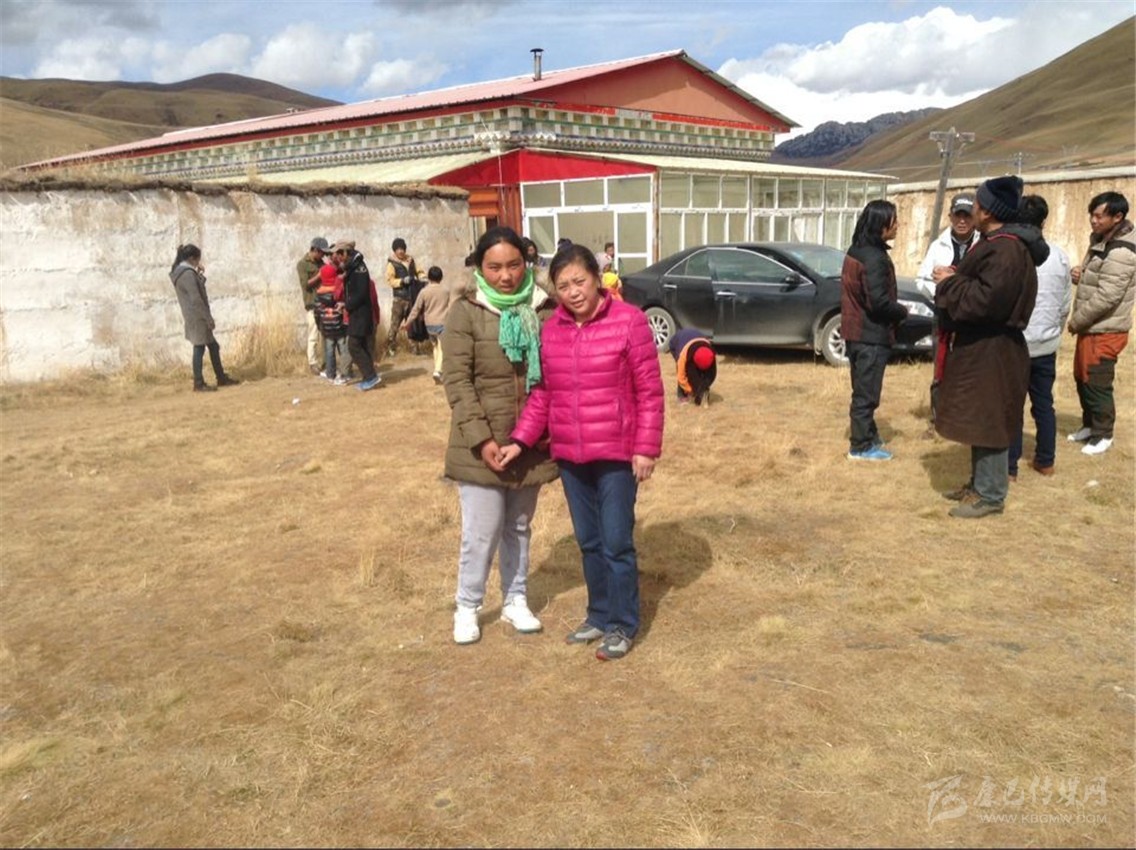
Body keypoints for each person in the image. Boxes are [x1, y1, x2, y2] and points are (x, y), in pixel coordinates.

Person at [504, 244, 664, 662]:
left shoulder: (628, 321)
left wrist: (646, 448)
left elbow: (649, 391)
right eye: (563, 286)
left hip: (616, 453)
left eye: (579, 281)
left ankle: (623, 623)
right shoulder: (552, 330)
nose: (573, 292)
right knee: (589, 541)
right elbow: (543, 394)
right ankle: (599, 614)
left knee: (616, 541)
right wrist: (520, 440)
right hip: (572, 455)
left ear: (597, 278)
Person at [440, 227, 559, 645]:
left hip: (529, 442)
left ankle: (515, 600)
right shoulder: (466, 311)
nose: (505, 276)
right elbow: (457, 381)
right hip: (481, 445)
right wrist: (483, 440)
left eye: (513, 265)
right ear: (479, 267)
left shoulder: (544, 309)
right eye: (494, 267)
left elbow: (553, 376)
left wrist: (528, 437)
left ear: (527, 263)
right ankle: (468, 606)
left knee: (519, 526)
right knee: (481, 531)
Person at [933, 176, 1047, 519]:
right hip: (983, 346)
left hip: (994, 349)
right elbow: (983, 287)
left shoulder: (1006, 250)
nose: (973, 209)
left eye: (977, 204)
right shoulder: (995, 244)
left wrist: (950, 283)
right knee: (979, 417)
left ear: (988, 211)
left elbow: (986, 302)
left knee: (991, 420)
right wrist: (957, 276)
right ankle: (979, 485)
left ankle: (991, 495)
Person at [1066, 191, 1135, 456]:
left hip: (1106, 329)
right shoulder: (1102, 241)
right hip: (1092, 327)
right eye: (1092, 215)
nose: (1093, 220)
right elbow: (1098, 279)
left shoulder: (1121, 251)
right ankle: (1090, 425)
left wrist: (1077, 321)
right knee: (1082, 377)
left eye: (1099, 216)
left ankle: (1104, 434)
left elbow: (1108, 296)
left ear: (1117, 217)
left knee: (1097, 381)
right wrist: (1080, 274)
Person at [840, 200, 909, 461]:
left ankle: (869, 434)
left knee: (862, 389)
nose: (898, 225)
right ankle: (860, 447)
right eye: (893, 220)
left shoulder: (857, 249)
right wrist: (902, 312)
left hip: (856, 333)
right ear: (881, 224)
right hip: (869, 336)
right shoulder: (874, 258)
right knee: (866, 395)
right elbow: (878, 303)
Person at [1009, 195, 1072, 479]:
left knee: (1012, 405)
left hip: (1016, 343)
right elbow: (1064, 305)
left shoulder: (1011, 253)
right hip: (1046, 344)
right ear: (1043, 221)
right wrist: (1053, 331)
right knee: (1044, 404)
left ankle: (1009, 466)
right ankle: (1046, 460)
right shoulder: (1059, 257)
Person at [915, 194, 980, 434]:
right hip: (944, 316)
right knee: (941, 366)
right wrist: (943, 293)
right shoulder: (938, 245)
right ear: (950, 216)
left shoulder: (983, 244)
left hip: (973, 317)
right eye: (958, 215)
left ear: (974, 218)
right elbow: (922, 280)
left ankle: (965, 417)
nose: (962, 221)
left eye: (967, 216)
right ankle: (939, 419)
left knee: (970, 366)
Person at [170, 244, 239, 392]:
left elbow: (196, 290)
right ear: (192, 259)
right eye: (197, 260)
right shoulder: (188, 274)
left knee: (212, 346)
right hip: (198, 316)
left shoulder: (182, 273)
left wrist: (199, 274)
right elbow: (196, 298)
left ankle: (220, 377)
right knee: (200, 347)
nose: (198, 262)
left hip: (193, 315)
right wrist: (208, 318)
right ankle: (199, 383)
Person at [332, 240, 382, 391]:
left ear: (346, 253)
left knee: (353, 345)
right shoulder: (352, 267)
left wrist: (347, 305)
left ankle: (371, 376)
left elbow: (361, 294)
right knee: (361, 345)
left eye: (339, 254)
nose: (338, 257)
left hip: (361, 314)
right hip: (357, 313)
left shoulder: (359, 268)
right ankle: (369, 376)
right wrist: (344, 304)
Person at [402, 265, 451, 384]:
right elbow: (451, 306)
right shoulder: (446, 291)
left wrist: (407, 323)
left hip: (429, 325)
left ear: (429, 278)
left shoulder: (424, 292)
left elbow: (416, 309)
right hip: (442, 322)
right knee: (442, 348)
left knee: (435, 346)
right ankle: (438, 371)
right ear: (441, 277)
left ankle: (437, 370)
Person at [385, 237, 425, 357]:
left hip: (412, 297)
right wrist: (402, 281)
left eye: (402, 248)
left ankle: (415, 350)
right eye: (398, 249)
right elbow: (390, 280)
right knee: (395, 325)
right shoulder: (392, 263)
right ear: (394, 251)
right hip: (399, 299)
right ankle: (390, 349)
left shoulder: (411, 260)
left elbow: (420, 271)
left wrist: (422, 277)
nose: (401, 251)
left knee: (412, 325)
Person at [314, 263, 350, 385]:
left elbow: (317, 312)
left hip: (327, 328)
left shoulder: (319, 294)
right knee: (343, 350)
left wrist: (320, 326)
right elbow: (345, 307)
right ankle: (346, 372)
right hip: (340, 327)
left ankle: (330, 374)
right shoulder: (339, 291)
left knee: (329, 351)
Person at [297, 237, 329, 375]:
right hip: (312, 304)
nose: (323, 256)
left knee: (326, 335)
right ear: (315, 250)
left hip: (324, 302)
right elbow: (306, 284)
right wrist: (320, 275)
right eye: (322, 252)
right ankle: (313, 363)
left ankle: (327, 362)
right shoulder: (302, 264)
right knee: (313, 335)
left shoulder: (322, 264)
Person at [668, 326, 716, 406]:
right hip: (677, 341)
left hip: (695, 339)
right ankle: (682, 396)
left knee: (698, 373)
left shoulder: (710, 353)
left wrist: (702, 388)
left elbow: (711, 375)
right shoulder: (683, 356)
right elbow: (681, 376)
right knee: (684, 370)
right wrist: (690, 390)